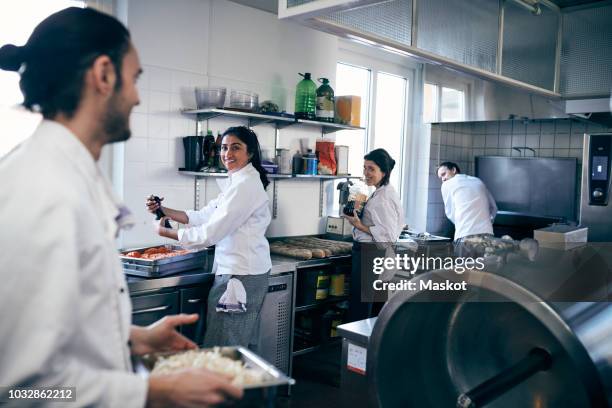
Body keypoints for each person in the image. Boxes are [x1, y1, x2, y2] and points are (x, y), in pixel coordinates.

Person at [0, 7, 242, 407]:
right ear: (103, 75)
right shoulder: (42, 192)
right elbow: (21, 388)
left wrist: (134, 337)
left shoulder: (73, 175)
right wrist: (152, 391)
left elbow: (63, 326)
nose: (137, 96)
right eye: (134, 78)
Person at [147, 126, 272, 350]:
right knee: (234, 344)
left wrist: (166, 232)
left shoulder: (245, 186)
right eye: (224, 148)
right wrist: (164, 210)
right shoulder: (238, 181)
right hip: (240, 272)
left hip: (240, 276)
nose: (227, 154)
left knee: (224, 347)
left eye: (236, 148)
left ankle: (224, 385)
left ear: (250, 152)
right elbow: (205, 215)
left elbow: (209, 234)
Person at [344, 148, 403, 321]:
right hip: (375, 253)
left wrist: (358, 225)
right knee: (372, 304)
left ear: (384, 172)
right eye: (365, 168)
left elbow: (387, 235)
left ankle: (357, 346)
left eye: (371, 169)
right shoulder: (382, 192)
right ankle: (370, 344)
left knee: (360, 306)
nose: (366, 173)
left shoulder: (383, 198)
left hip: (370, 253)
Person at [437, 161, 497, 242]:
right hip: (487, 233)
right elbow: (494, 207)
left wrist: (463, 222)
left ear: (453, 170)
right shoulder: (478, 181)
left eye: (444, 174)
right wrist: (487, 221)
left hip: (465, 234)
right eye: (440, 178)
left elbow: (450, 213)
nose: (443, 179)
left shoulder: (447, 184)